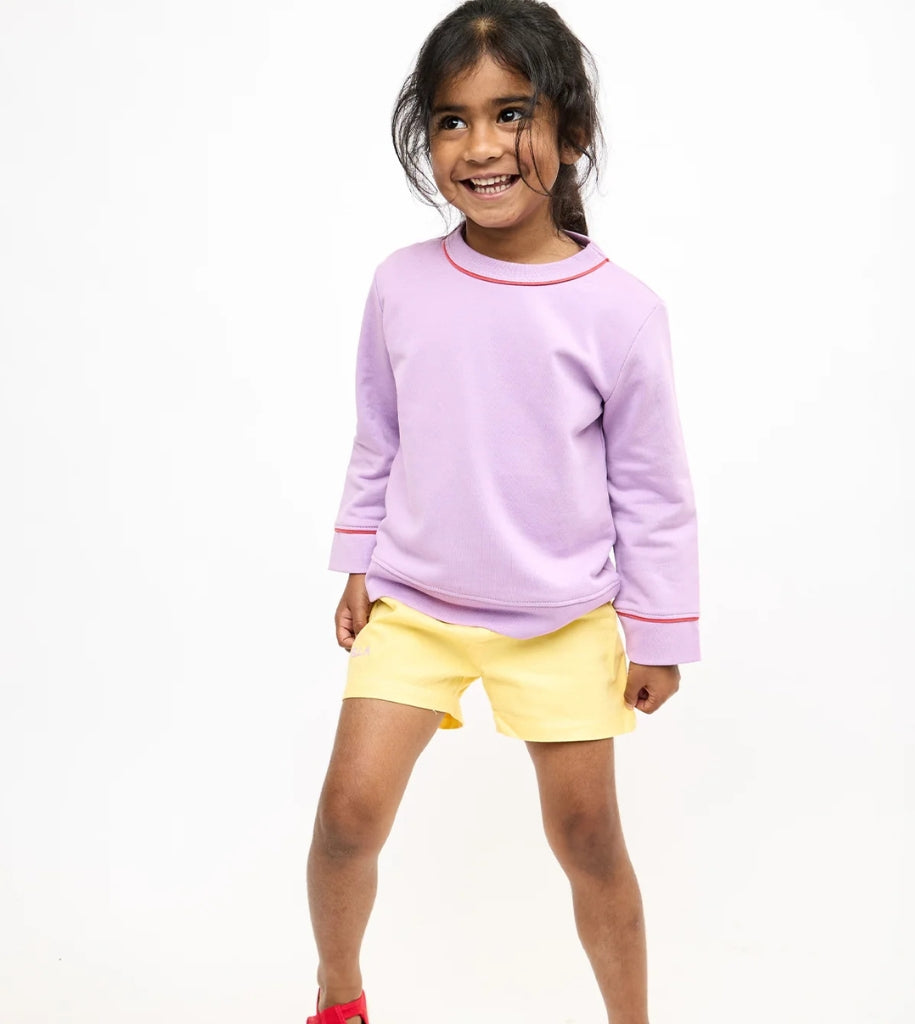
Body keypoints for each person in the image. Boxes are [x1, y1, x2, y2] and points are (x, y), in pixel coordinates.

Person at [305, 1, 701, 1021]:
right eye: (451, 120)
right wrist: (358, 559)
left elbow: (651, 489)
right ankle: (338, 996)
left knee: (588, 840)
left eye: (510, 114)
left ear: (572, 133)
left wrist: (659, 634)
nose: (479, 146)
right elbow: (379, 433)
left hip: (562, 618)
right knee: (347, 817)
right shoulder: (401, 285)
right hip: (415, 603)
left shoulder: (620, 310)